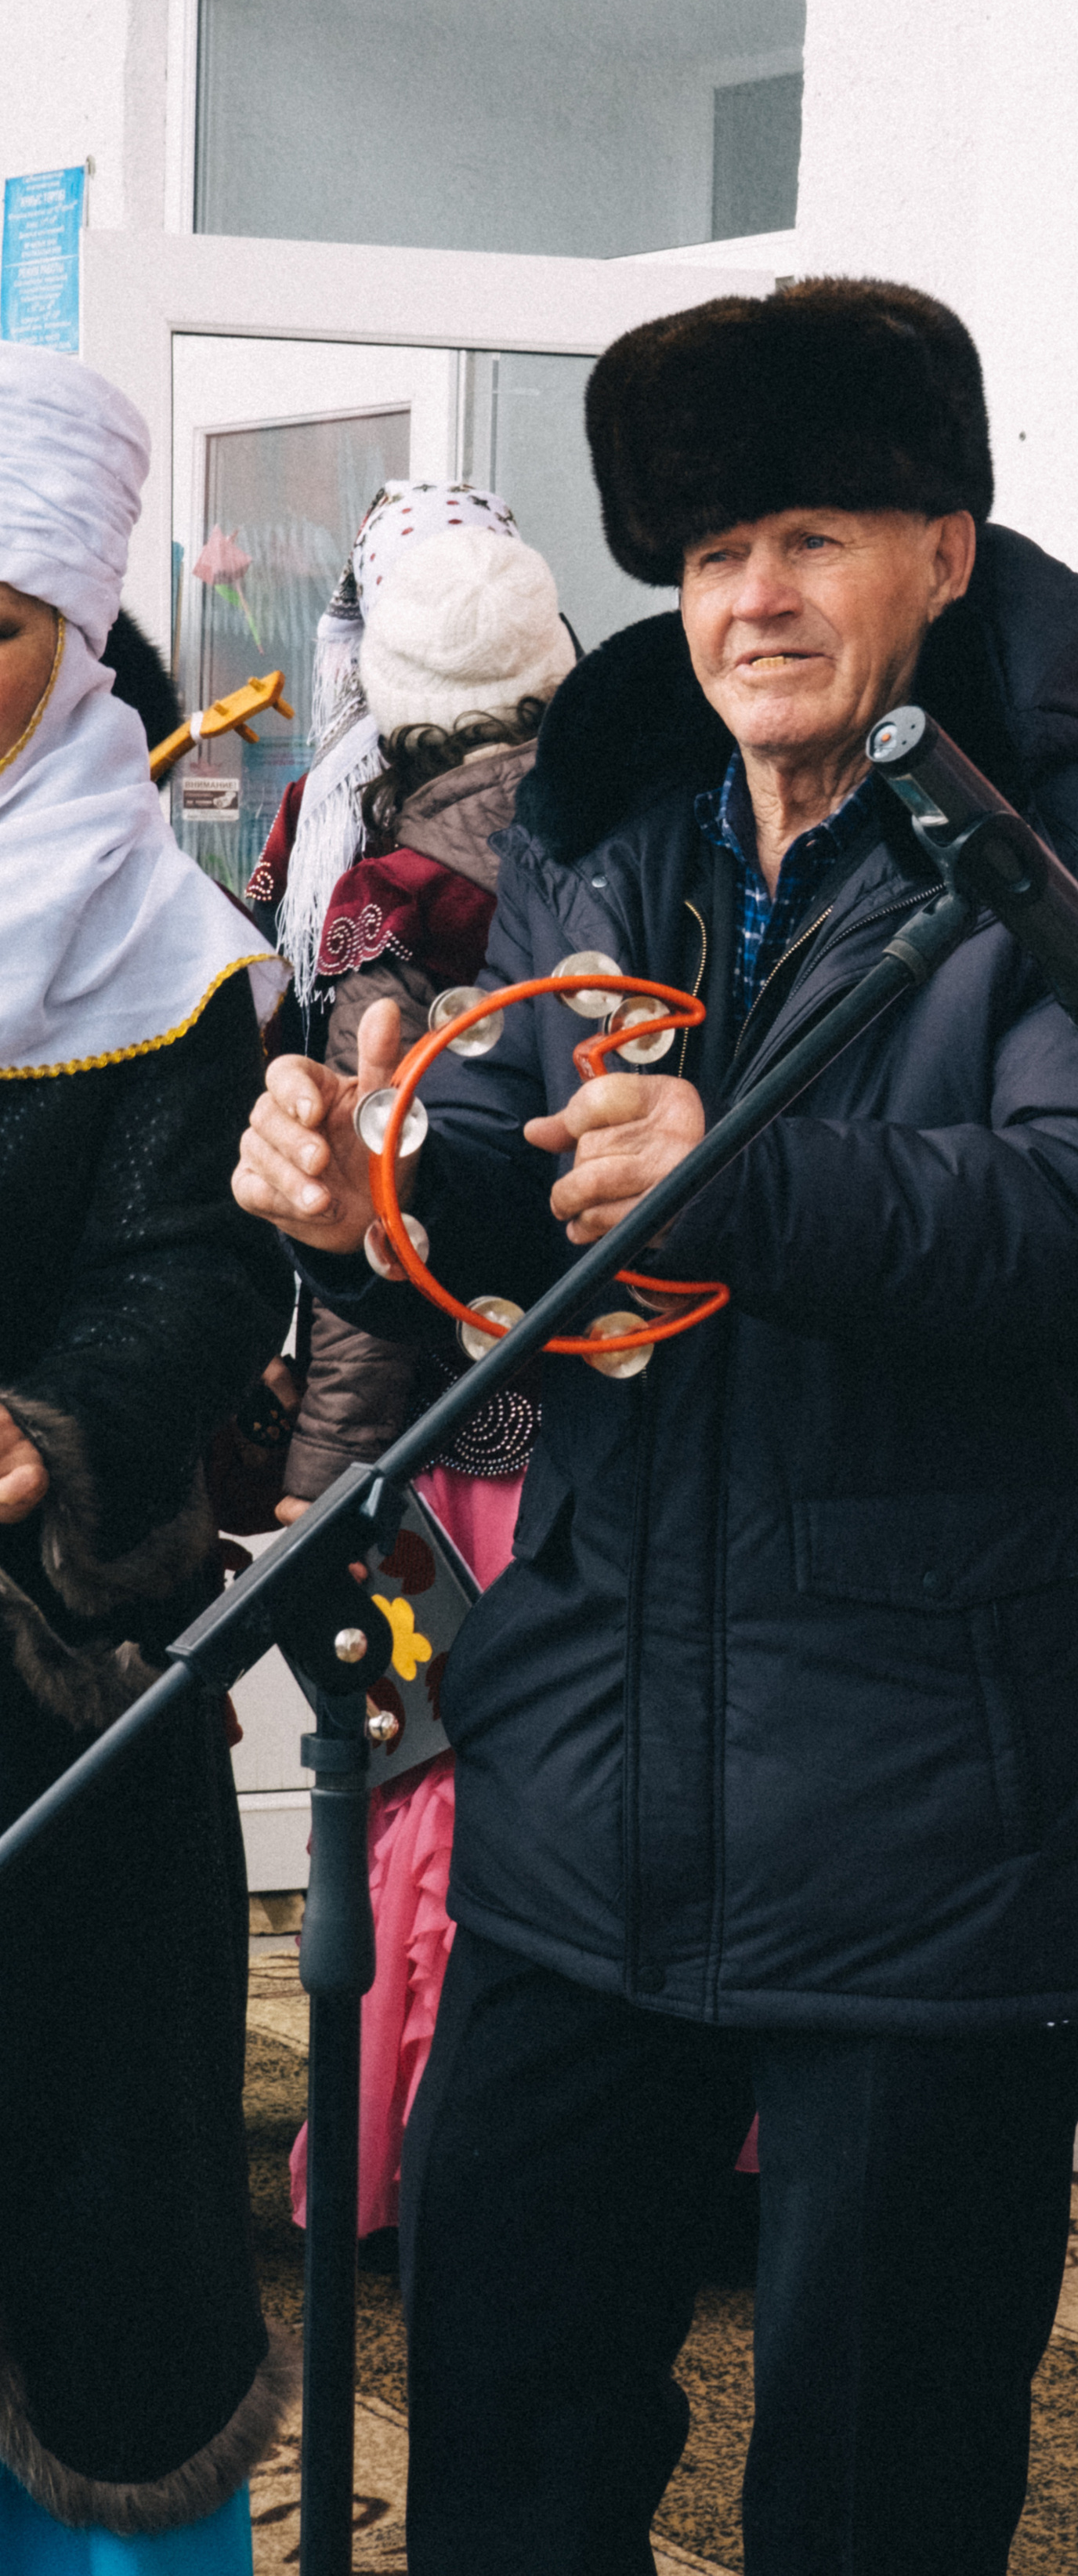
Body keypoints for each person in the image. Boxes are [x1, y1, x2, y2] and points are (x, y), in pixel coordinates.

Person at [232, 277, 1078, 2576]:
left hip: (942, 1812)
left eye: (808, 537)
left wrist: (739, 1176)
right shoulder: (622, 835)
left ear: (947, 550)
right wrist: (346, 1186)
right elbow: (512, 1173)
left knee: (877, 2480)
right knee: (500, 2406)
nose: (750, 602)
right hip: (592, 1783)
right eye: (704, 559)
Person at [0, 346, 294, 2570]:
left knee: (91, 2200)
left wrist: (32, 1432)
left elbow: (196, 1280)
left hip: (61, 1682)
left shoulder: (172, 949)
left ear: (75, 632)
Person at [249, 513, 575, 2248]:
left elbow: (373, 1205)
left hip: (447, 1415)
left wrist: (323, 1464)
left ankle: (401, 2166)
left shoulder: (379, 880)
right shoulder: (605, 816)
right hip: (577, 1388)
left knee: (421, 1763)